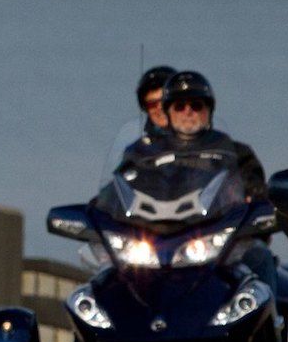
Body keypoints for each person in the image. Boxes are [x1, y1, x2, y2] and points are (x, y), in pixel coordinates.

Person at [115, 70, 277, 289]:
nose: (188, 112)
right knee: (107, 272)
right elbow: (117, 188)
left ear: (209, 110)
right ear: (169, 112)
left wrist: (257, 201)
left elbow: (256, 190)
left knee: (259, 256)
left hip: (218, 241)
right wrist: (99, 207)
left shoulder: (233, 152)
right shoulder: (143, 153)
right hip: (155, 242)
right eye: (179, 106)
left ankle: (271, 321)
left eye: (196, 105)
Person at [136, 64, 176, 134]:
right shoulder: (138, 142)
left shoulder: (200, 141)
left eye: (165, 101)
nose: (160, 107)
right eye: (152, 104)